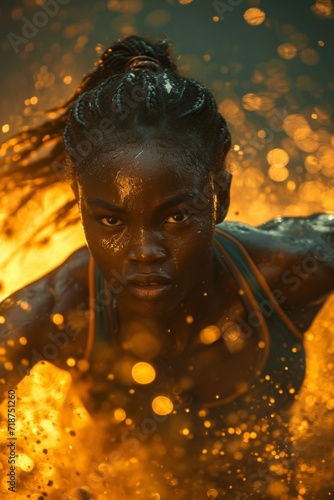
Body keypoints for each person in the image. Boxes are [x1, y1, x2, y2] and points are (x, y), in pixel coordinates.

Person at [0, 35, 333, 497]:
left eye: (175, 217)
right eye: (111, 219)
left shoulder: (293, 268)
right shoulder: (54, 312)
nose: (143, 251)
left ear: (221, 197)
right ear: (80, 208)